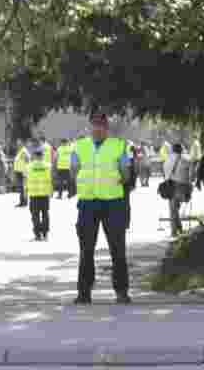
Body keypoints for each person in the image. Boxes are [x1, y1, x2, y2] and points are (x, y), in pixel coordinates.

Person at [71, 111, 131, 305]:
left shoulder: (118, 146)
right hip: (88, 203)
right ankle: (84, 292)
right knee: (86, 250)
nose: (98, 129)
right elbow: (74, 170)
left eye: (101, 126)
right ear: (90, 127)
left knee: (117, 249)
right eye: (95, 125)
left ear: (107, 128)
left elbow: (126, 173)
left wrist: (113, 182)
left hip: (113, 203)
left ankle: (121, 292)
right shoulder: (79, 146)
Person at [27, 141, 53, 241]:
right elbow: (52, 179)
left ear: (34, 156)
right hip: (45, 193)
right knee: (45, 214)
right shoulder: (48, 166)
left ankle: (37, 234)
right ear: (42, 156)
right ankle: (45, 233)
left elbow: (26, 179)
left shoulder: (29, 167)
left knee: (35, 215)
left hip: (34, 194)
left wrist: (26, 191)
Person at [164, 143, 191, 237]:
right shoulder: (185, 159)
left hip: (170, 186)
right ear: (181, 150)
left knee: (173, 209)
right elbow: (190, 174)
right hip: (181, 186)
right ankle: (177, 229)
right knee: (175, 209)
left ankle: (175, 230)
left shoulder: (168, 159)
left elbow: (165, 173)